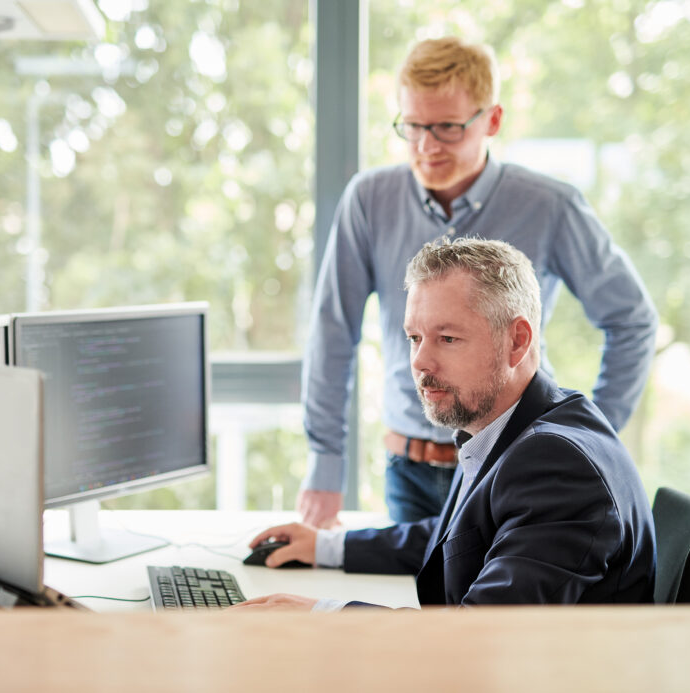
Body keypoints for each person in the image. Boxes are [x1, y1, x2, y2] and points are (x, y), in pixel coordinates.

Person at [298, 36, 658, 527]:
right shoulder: (368, 200)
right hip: (409, 470)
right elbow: (332, 334)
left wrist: (592, 435)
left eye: (446, 127)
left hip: (516, 463)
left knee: (502, 602)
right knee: (410, 600)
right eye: (413, 126)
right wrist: (325, 468)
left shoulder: (551, 206)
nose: (426, 146)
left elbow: (631, 321)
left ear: (491, 120)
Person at [235, 238, 656, 610]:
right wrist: (326, 546)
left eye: (447, 338)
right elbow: (458, 541)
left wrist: (319, 617)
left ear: (517, 341)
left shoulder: (558, 466)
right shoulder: (511, 424)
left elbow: (473, 641)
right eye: (415, 338)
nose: (418, 362)